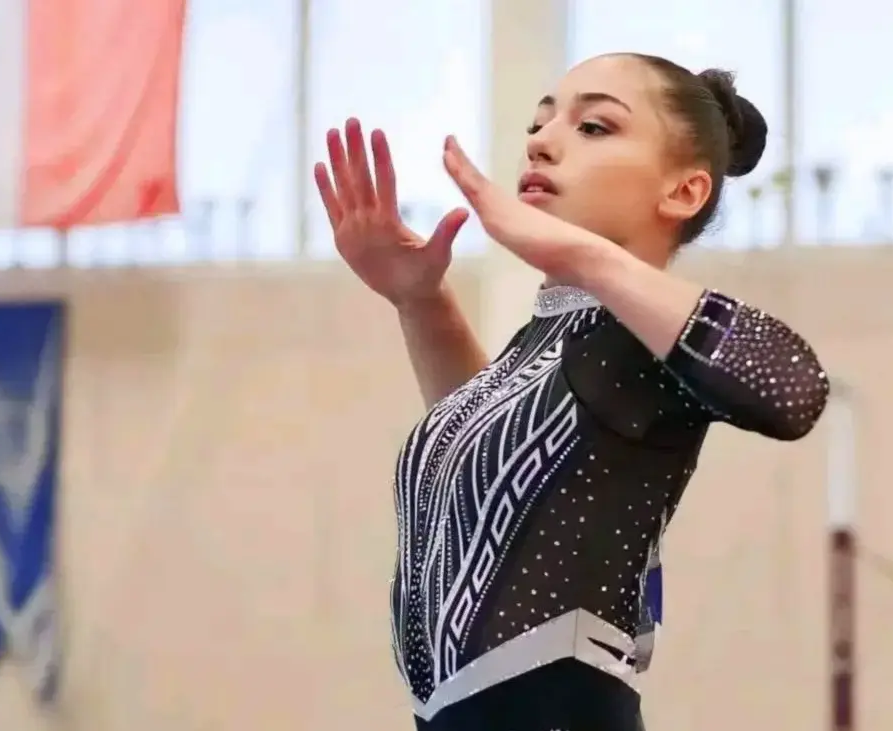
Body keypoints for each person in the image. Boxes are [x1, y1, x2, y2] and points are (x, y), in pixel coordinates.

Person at [314, 52, 829, 731]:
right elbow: (495, 472)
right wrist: (421, 300)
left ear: (683, 191)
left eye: (593, 127)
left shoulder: (643, 340)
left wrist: (581, 255)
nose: (540, 139)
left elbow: (794, 388)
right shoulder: (555, 337)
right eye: (539, 121)